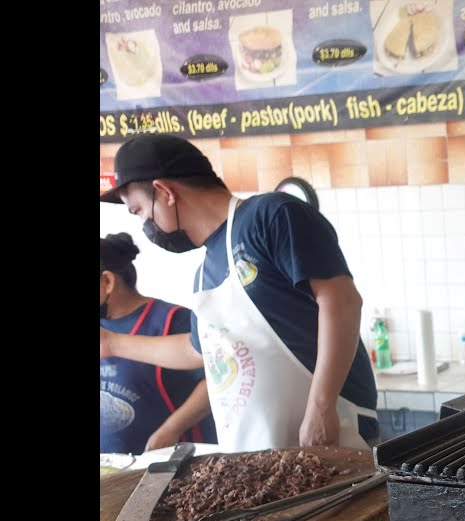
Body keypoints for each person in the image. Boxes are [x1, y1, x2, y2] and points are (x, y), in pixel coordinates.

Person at [99, 133, 380, 452]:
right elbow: (198, 351)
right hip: (266, 455)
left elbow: (341, 300)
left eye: (139, 210)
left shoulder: (272, 216)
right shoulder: (204, 274)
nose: (144, 223)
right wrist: (113, 344)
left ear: (165, 192)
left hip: (334, 433)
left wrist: (321, 406)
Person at [101, 232, 217, 454]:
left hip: (170, 461)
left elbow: (216, 379)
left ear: (107, 282)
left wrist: (172, 428)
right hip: (112, 468)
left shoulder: (173, 320)